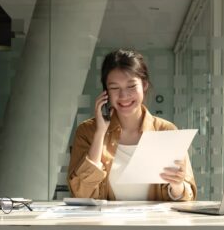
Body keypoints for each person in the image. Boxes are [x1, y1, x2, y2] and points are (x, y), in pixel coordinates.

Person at [67, 49, 197, 201]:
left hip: (154, 224)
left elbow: (187, 199)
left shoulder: (166, 131)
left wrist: (177, 185)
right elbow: (81, 195)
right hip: (105, 224)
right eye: (115, 88)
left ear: (144, 85)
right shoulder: (87, 131)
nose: (123, 96)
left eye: (131, 86)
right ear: (106, 92)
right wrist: (100, 133)